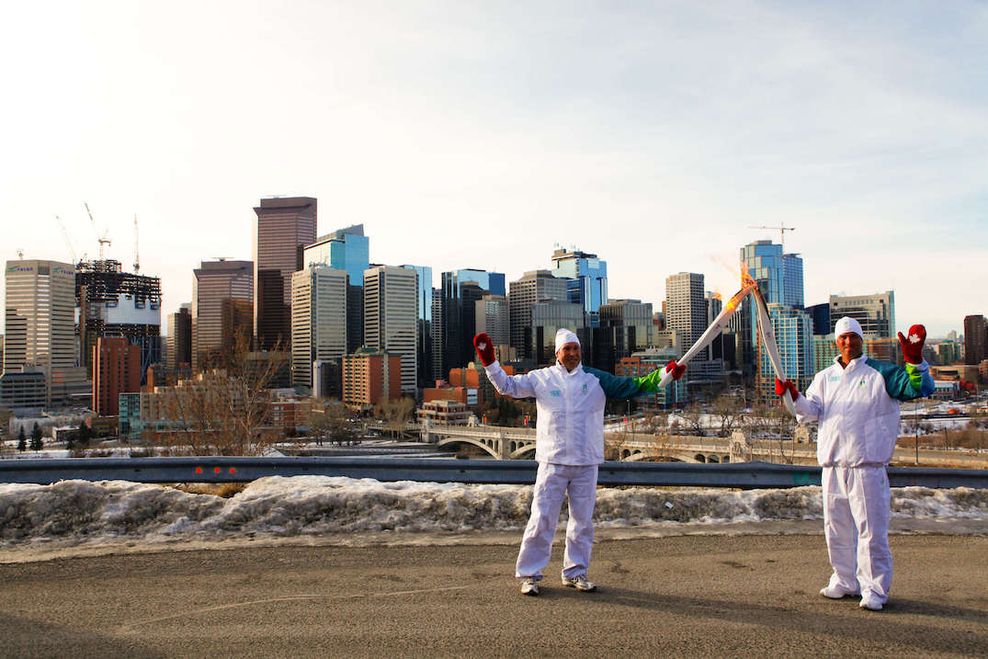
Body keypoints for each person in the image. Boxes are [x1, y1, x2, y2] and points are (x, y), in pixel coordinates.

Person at [473, 328, 686, 596]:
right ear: (558, 353)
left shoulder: (596, 378)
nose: (572, 353)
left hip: (586, 461)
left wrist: (666, 375)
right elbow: (507, 386)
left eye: (576, 348)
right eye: (567, 349)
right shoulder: (542, 379)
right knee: (541, 519)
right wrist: (490, 362)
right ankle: (530, 574)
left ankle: (576, 572)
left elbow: (635, 386)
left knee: (582, 522)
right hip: (553, 461)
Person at [775, 316, 934, 611]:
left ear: (861, 340)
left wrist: (915, 362)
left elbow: (920, 389)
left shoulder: (881, 372)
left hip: (867, 465)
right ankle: (845, 580)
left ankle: (874, 589)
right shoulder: (825, 377)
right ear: (837, 341)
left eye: (853, 337)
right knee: (836, 527)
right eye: (843, 338)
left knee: (871, 531)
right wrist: (793, 397)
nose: (848, 342)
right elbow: (810, 412)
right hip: (833, 465)